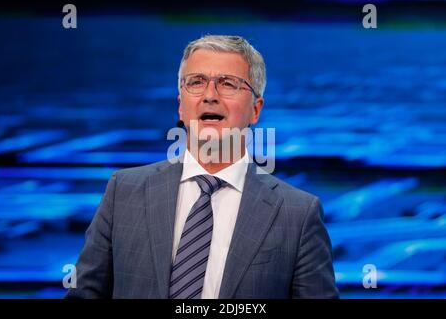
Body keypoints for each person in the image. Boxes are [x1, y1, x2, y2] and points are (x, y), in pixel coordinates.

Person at [65, 35, 338, 299]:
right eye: (196, 82)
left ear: (256, 110)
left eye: (228, 84)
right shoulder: (123, 192)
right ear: (181, 107)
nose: (210, 95)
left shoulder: (299, 214)